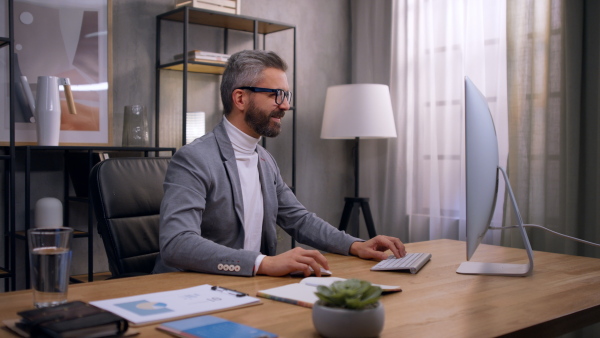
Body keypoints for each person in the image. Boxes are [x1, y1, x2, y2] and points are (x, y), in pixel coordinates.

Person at [153, 50, 406, 277]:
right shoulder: (194, 159)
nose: (285, 105)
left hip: (247, 288)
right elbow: (178, 243)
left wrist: (355, 245)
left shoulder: (264, 159)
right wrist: (263, 263)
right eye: (275, 95)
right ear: (240, 99)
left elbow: (299, 219)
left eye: (286, 95)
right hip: (192, 290)